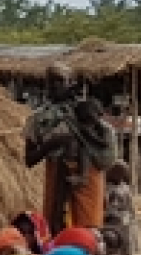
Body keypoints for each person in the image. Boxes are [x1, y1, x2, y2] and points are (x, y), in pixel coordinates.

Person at [27, 63, 119, 233]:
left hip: (89, 176)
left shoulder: (85, 109)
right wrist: (50, 145)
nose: (55, 86)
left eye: (60, 81)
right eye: (50, 82)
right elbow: (29, 159)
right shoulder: (38, 118)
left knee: (88, 229)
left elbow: (106, 141)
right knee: (56, 226)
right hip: (56, 173)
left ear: (71, 83)